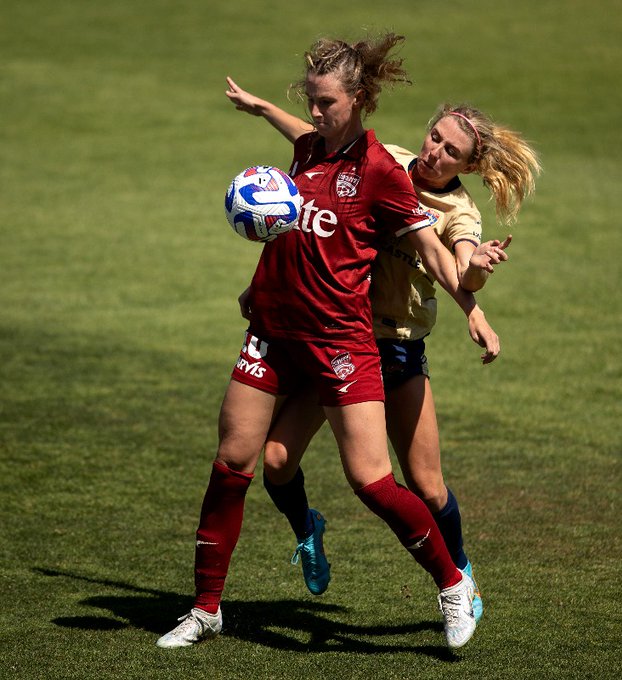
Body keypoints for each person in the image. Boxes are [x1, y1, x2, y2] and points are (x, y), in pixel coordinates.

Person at [156, 32, 500, 652]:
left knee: (372, 481)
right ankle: (206, 608)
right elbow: (297, 231)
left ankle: (453, 584)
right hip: (273, 330)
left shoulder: (382, 171)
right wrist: (259, 283)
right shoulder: (308, 149)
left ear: (359, 99)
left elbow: (433, 251)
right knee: (235, 461)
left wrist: (472, 310)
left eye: (326, 103)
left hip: (341, 340)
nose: (314, 113)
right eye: (310, 101)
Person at [226, 80, 540, 622]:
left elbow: (457, 265)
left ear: (468, 165)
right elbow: (311, 139)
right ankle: (307, 530)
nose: (434, 152)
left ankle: (461, 573)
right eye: (435, 137)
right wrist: (262, 108)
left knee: (426, 485)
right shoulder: (387, 160)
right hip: (336, 338)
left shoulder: (459, 212)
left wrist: (476, 279)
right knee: (275, 461)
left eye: (450, 151)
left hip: (395, 350)